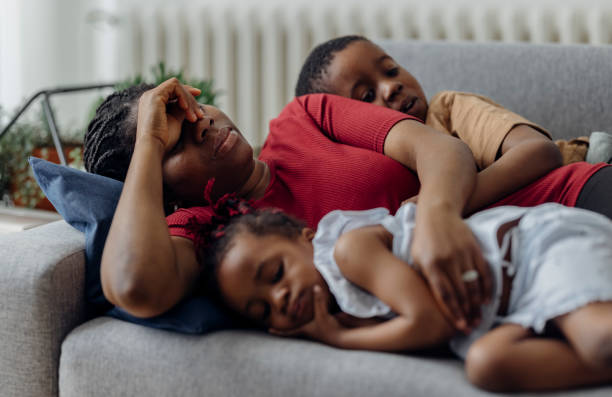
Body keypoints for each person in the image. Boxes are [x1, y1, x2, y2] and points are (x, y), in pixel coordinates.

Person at [84, 78, 488, 332]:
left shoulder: (304, 117)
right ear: (159, 185)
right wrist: (149, 142)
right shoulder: (214, 236)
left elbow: (441, 151)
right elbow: (134, 285)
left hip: (530, 216)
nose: (201, 125)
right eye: (176, 142)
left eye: (193, 111)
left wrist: (436, 217)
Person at [201, 196, 612, 393]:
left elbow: (430, 321)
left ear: (307, 239)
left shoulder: (349, 251)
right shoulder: (348, 310)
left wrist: (339, 339)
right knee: (488, 365)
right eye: (262, 312)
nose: (280, 300)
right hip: (515, 311)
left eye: (275, 273)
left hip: (533, 253)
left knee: (599, 341)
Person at [294, 35, 598, 214]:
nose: (392, 87)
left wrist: (442, 204)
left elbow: (539, 152)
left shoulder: (446, 111)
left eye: (391, 70)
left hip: (592, 165)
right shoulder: (377, 172)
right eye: (367, 95)